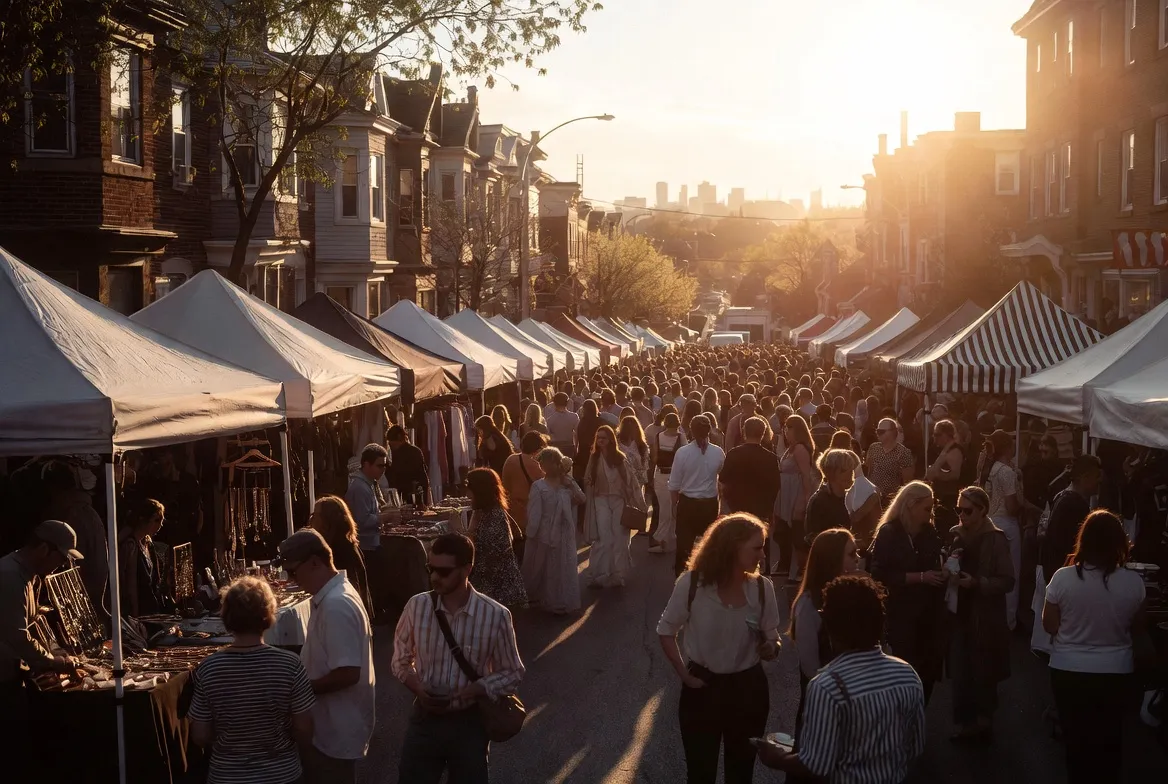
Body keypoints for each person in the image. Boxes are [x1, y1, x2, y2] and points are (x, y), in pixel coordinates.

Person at [757, 574, 926, 782]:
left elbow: (816, 764)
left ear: (830, 626)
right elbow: (915, 746)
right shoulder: (907, 674)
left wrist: (777, 758)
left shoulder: (828, 687)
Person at [657, 514, 781, 784]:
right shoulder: (691, 585)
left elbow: (772, 635)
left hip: (749, 689)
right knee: (701, 773)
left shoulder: (762, 588)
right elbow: (666, 631)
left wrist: (770, 646)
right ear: (732, 547)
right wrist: (685, 675)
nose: (763, 554)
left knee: (741, 773)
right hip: (703, 686)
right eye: (757, 547)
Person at [392, 533, 525, 784]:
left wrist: (479, 688)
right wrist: (418, 688)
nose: (434, 577)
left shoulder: (495, 615)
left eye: (444, 571)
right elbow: (400, 659)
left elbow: (512, 672)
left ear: (467, 569)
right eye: (430, 568)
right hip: (424, 719)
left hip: (469, 723)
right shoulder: (417, 606)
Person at [1042, 511, 1146, 784]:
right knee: (1110, 743)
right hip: (1116, 670)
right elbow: (1136, 628)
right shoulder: (1134, 583)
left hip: (1068, 670)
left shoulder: (1062, 579)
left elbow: (1050, 625)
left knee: (1076, 744)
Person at [189, 576, 315, 784]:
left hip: (227, 775)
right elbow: (304, 727)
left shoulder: (209, 668)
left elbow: (200, 734)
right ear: (268, 614)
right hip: (281, 773)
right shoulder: (290, 664)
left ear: (227, 616)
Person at [274, 530, 375, 783]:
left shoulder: (336, 605)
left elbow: (348, 673)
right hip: (332, 727)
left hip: (334, 731)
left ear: (315, 562)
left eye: (293, 572)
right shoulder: (332, 596)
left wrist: (298, 690)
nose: (292, 580)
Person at [0, 520, 86, 744]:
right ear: (44, 549)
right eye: (62, 558)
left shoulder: (31, 575)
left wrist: (56, 651)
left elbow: (33, 623)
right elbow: (18, 636)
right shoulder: (10, 576)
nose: (63, 565)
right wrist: (54, 661)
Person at [948, 485, 1015, 742]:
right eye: (958, 510)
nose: (962, 515)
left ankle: (983, 725)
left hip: (985, 617)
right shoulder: (955, 535)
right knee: (961, 671)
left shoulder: (996, 539)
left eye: (967, 510)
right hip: (960, 612)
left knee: (984, 672)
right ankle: (967, 725)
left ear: (982, 511)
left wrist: (978, 583)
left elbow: (1008, 580)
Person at [869, 481, 946, 702]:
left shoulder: (928, 532)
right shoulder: (890, 532)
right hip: (901, 612)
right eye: (926, 508)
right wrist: (920, 577)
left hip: (928, 613)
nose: (930, 513)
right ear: (910, 505)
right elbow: (880, 574)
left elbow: (934, 562)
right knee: (905, 668)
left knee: (928, 671)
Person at [789, 528, 860, 737]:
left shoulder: (858, 593)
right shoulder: (809, 605)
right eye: (851, 554)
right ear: (832, 559)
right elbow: (810, 668)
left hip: (857, 705)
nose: (858, 559)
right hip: (822, 708)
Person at [522, 448, 587, 614]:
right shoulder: (538, 486)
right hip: (545, 531)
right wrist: (532, 533)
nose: (544, 466)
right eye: (543, 463)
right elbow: (534, 512)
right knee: (546, 566)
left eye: (547, 462)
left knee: (562, 565)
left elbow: (581, 499)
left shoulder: (566, 484)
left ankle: (560, 600)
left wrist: (571, 483)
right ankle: (549, 599)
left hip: (564, 531)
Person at [41, 462, 108, 615]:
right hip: (93, 590)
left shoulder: (72, 515)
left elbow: (74, 561)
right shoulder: (88, 511)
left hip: (82, 595)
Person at [583, 425, 645, 588]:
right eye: (598, 437)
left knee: (619, 537)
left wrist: (640, 503)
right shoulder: (594, 458)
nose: (600, 440)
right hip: (600, 499)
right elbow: (587, 478)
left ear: (610, 439)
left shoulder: (619, 458)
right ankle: (599, 573)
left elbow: (631, 482)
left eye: (603, 437)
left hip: (619, 501)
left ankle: (618, 574)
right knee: (604, 538)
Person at [668, 415, 726, 576]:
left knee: (684, 546)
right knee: (710, 545)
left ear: (691, 431)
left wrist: (674, 506)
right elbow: (721, 479)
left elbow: (674, 484)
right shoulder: (718, 452)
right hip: (709, 504)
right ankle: (708, 577)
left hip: (688, 504)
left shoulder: (682, 453)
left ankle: (681, 579)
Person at [346, 444, 396, 622]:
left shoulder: (369, 484)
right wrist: (385, 517)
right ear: (366, 465)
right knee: (373, 581)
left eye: (384, 466)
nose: (383, 470)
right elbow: (361, 521)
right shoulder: (359, 487)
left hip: (372, 541)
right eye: (379, 465)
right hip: (366, 544)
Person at [465, 468, 528, 607]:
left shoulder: (495, 515)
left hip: (500, 592)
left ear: (479, 490)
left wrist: (462, 530)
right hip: (494, 589)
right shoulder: (484, 512)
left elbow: (487, 555)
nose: (466, 492)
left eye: (468, 487)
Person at [980, 430, 1023, 630]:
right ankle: (1008, 622)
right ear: (1007, 447)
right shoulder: (1006, 472)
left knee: (992, 572)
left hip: (990, 521)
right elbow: (1012, 505)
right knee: (1011, 573)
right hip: (1007, 522)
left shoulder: (990, 469)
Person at [1040, 455, 1102, 587]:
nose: (1099, 481)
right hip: (1065, 575)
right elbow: (1072, 544)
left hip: (1056, 573)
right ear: (1085, 477)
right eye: (1096, 476)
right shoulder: (1074, 504)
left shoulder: (1062, 497)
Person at [308, 496, 373, 618]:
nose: (311, 520)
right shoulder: (343, 545)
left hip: (344, 614)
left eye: (315, 515)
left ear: (327, 520)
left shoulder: (340, 550)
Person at [719, 417, 780, 528]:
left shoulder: (734, 454)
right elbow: (775, 485)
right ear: (763, 433)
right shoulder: (771, 458)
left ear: (744, 432)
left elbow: (723, 481)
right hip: (761, 509)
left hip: (736, 509)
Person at [117, 497, 172, 618]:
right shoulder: (130, 545)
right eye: (156, 520)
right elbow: (131, 585)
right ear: (143, 519)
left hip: (152, 609)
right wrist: (135, 618)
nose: (160, 525)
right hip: (140, 612)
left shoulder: (147, 543)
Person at [774, 414, 815, 577]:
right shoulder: (791, 448)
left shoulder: (800, 449)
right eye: (785, 428)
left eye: (788, 428)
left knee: (797, 535)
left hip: (795, 493)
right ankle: (785, 566)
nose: (785, 431)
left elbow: (806, 475)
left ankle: (802, 569)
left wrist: (804, 499)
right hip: (786, 493)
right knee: (783, 531)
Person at [649, 412, 686, 554]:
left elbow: (654, 457)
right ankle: (665, 539)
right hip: (674, 475)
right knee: (670, 509)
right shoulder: (681, 437)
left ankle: (663, 539)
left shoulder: (659, 436)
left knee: (667, 509)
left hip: (661, 474)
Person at [804, 449, 856, 542]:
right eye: (844, 470)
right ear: (831, 473)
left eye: (851, 470)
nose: (850, 474)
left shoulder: (850, 497)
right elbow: (813, 538)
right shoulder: (819, 502)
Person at [926, 419, 965, 542]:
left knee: (947, 532)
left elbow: (955, 475)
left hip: (949, 499)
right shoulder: (944, 450)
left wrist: (937, 474)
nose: (935, 438)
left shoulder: (954, 451)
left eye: (938, 434)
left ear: (947, 435)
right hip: (941, 496)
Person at [500, 431, 547, 535]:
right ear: (539, 448)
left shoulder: (510, 459)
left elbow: (505, 485)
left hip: (510, 512)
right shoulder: (537, 465)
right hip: (528, 515)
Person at [865, 418, 915, 504]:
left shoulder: (904, 453)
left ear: (893, 432)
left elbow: (907, 482)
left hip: (890, 500)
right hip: (872, 496)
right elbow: (868, 471)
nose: (878, 434)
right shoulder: (873, 448)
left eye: (881, 431)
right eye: (877, 431)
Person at [386, 426, 431, 507]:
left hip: (412, 493)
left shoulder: (413, 452)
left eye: (392, 443)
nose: (390, 445)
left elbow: (421, 476)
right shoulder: (396, 452)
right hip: (403, 493)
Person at [573, 400, 601, 486]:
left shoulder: (581, 422)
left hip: (583, 453)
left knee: (584, 479)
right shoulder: (600, 421)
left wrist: (576, 452)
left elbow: (577, 439)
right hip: (597, 452)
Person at [545, 392, 580, 459]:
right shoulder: (574, 417)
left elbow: (548, 436)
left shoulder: (550, 420)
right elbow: (577, 433)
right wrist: (576, 448)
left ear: (554, 403)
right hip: (569, 447)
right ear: (567, 403)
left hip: (555, 448)